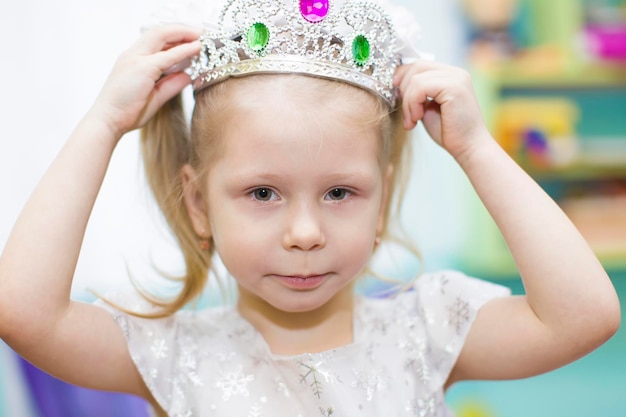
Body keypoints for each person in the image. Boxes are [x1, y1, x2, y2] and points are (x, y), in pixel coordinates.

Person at [0, 0, 620, 415]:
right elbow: (23, 314)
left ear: (380, 201)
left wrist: (476, 147)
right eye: (263, 193)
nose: (304, 232)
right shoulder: (173, 351)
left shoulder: (427, 329)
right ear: (198, 204)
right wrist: (104, 123)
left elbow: (584, 316)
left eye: (340, 193)